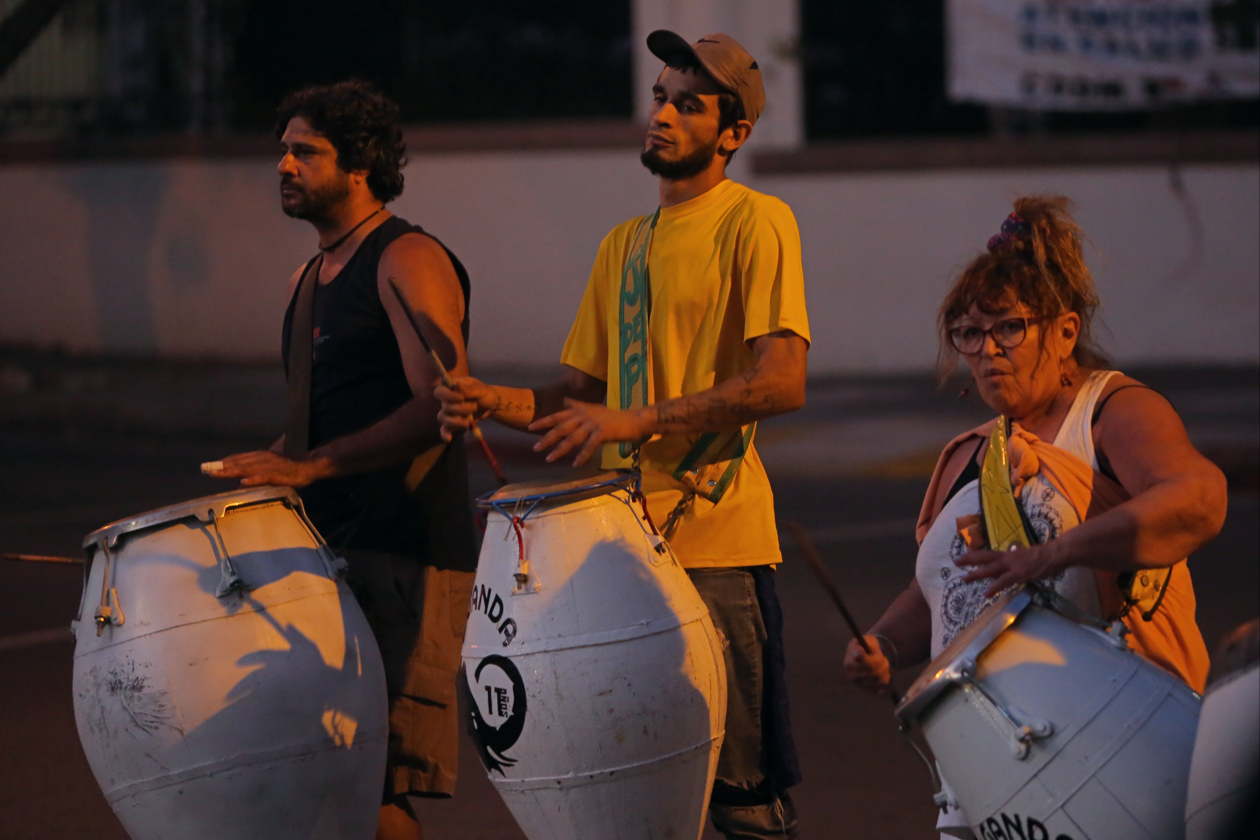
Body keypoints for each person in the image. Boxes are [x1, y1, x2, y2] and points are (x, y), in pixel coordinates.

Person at [436, 31, 809, 840]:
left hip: (715, 543)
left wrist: (637, 422)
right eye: (659, 97)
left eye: (689, 104)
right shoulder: (625, 245)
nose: (664, 114)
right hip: (616, 553)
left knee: (742, 800)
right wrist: (486, 398)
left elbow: (782, 380)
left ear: (734, 133)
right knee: (628, 787)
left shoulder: (756, 220)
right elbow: (578, 398)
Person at [843, 195, 1227, 838]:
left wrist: (1056, 552)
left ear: (1065, 331)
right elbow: (940, 589)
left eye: (1008, 328)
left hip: (1116, 751)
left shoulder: (1111, 413)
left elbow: (1198, 498)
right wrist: (881, 644)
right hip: (986, 772)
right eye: (970, 334)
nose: (988, 350)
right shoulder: (970, 454)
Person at [208, 81, 477, 840]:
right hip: (328, 557)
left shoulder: (408, 257)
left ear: (359, 164)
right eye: (283, 151)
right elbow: (304, 436)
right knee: (323, 777)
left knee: (377, 786)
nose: (285, 166)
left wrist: (315, 467)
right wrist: (255, 475)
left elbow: (440, 407)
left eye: (306, 152)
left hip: (405, 553)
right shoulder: (307, 280)